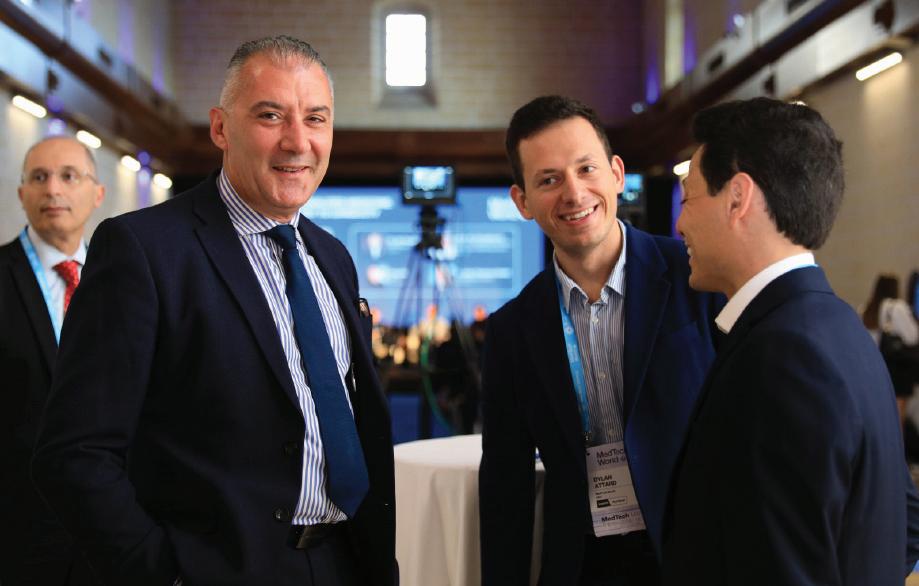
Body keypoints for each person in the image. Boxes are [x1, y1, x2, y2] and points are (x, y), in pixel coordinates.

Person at [32, 36, 396, 586]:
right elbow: (75, 453)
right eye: (270, 115)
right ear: (221, 128)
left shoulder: (333, 258)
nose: (298, 141)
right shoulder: (144, 250)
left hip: (343, 562)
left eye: (315, 119)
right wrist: (164, 574)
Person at [664, 97, 919, 585]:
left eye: (689, 197)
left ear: (737, 198)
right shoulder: (839, 327)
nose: (680, 223)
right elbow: (902, 525)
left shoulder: (781, 356)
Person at [479, 95, 721, 585]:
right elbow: (506, 486)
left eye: (586, 169)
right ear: (522, 201)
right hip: (580, 564)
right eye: (549, 180)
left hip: (696, 554)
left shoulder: (698, 278)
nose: (574, 193)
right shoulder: (512, 330)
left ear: (616, 173)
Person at [0, 136, 104, 586]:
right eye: (39, 178)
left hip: (109, 534)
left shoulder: (122, 279)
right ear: (22, 193)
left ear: (97, 193)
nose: (53, 190)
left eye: (68, 176)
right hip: (16, 532)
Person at [862, 274, 919, 409]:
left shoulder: (867, 308)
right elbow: (912, 336)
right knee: (898, 406)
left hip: (873, 364)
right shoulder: (897, 306)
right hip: (896, 366)